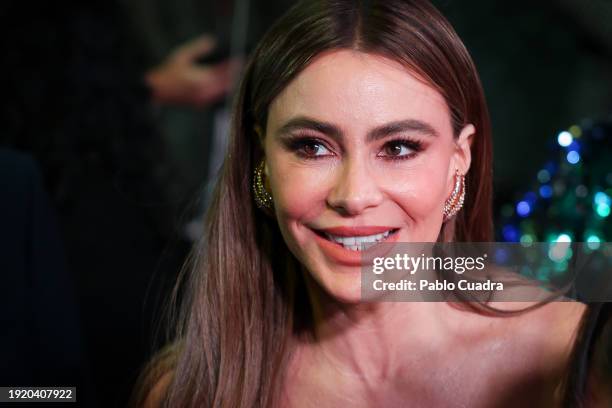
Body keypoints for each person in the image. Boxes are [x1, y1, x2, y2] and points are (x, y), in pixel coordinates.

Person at [135, 0, 586, 406]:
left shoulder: (572, 357)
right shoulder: (189, 390)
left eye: (399, 148)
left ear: (458, 159)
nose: (353, 196)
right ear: (262, 160)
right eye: (312, 147)